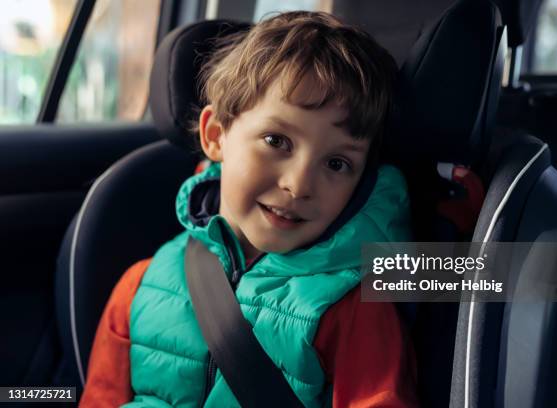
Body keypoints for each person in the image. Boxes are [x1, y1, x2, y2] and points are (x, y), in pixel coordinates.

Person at [81, 11, 418, 407]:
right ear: (215, 136)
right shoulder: (141, 286)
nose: (298, 184)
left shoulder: (350, 307)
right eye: (277, 141)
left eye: (336, 164)